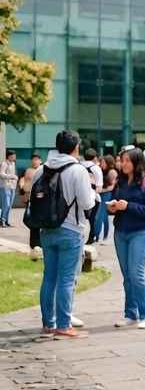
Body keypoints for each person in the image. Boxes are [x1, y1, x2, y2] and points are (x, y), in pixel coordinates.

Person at [29, 131, 97, 338]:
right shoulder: (78, 170)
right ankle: (64, 325)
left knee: (49, 277)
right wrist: (93, 193)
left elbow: (33, 199)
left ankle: (48, 324)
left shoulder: (41, 169)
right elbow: (86, 203)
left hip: (46, 229)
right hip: (71, 230)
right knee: (67, 279)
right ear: (76, 147)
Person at [108, 147, 145, 329]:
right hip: (121, 232)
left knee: (136, 274)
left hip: (141, 232)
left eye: (127, 160)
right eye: (122, 160)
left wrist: (128, 206)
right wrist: (112, 207)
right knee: (127, 276)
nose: (123, 164)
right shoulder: (120, 182)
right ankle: (131, 314)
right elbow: (114, 203)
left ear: (137, 162)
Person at [21, 154, 43, 260]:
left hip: (40, 200)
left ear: (40, 161)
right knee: (29, 220)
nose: (35, 161)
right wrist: (23, 189)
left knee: (36, 224)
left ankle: (38, 245)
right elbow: (25, 183)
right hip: (30, 199)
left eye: (37, 159)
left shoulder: (43, 170)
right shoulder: (28, 171)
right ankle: (34, 245)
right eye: (33, 159)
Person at [96, 155, 117, 244]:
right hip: (101, 194)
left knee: (100, 215)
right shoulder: (101, 170)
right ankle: (103, 236)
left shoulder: (112, 172)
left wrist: (100, 190)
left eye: (103, 162)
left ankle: (99, 236)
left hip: (107, 194)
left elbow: (111, 187)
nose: (102, 164)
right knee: (103, 216)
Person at [1, 150, 17, 227]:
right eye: (13, 156)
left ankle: (6, 221)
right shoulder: (4, 164)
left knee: (10, 205)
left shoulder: (13, 163)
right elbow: (1, 174)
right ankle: (2, 221)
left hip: (12, 187)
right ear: (9, 156)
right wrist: (12, 176)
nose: (15, 157)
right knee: (6, 204)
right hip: (5, 187)